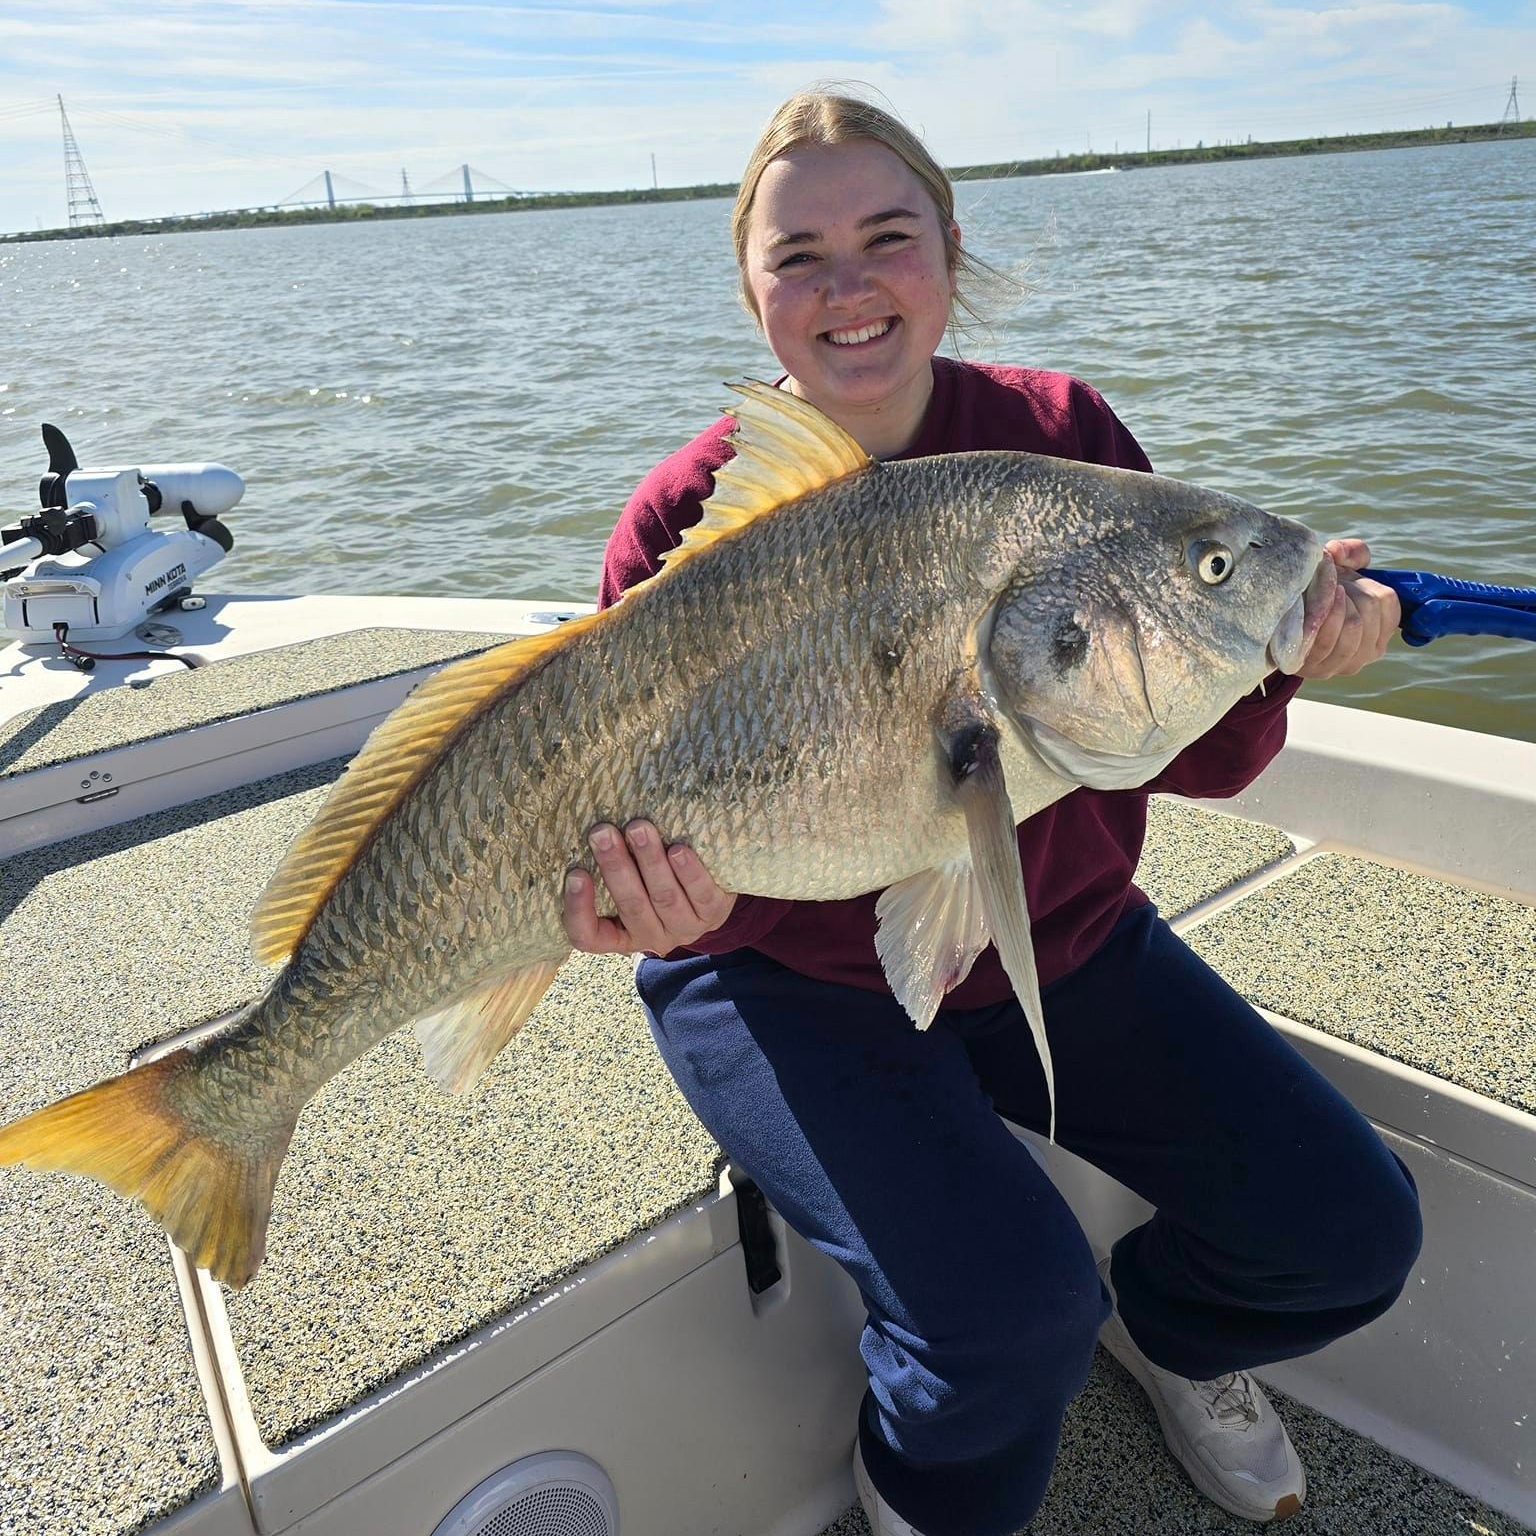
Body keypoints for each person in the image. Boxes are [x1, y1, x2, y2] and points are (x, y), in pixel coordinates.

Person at [564, 89, 1421, 1535]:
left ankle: (1173, 1336)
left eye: (889, 236)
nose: (850, 288)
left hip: (1059, 933)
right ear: (750, 288)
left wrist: (1286, 648)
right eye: (801, 255)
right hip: (771, 970)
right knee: (1008, 1319)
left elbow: (1191, 760)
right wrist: (665, 901)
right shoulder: (681, 517)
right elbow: (609, 807)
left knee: (1347, 1229)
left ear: (951, 253)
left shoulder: (1059, 436)